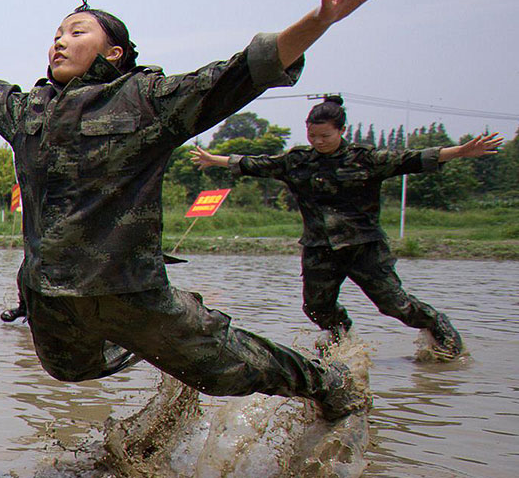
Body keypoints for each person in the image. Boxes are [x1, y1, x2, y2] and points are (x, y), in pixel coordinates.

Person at [0, 0, 404, 421]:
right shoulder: (28, 111)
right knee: (68, 374)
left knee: (221, 372)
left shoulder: (146, 99)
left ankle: (325, 383)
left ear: (113, 52)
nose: (59, 42)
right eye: (54, 35)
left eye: (76, 33)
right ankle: (159, 344)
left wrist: (319, 21)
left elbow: (241, 72)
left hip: (129, 288)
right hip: (52, 295)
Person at [191, 96, 502, 360]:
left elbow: (412, 159)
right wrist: (213, 159)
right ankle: (341, 337)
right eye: (313, 136)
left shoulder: (365, 160)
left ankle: (436, 325)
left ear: (341, 130)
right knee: (316, 307)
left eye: (325, 136)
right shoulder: (296, 161)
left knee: (395, 305)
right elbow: (254, 163)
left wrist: (461, 151)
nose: (318, 141)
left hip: (363, 247)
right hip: (320, 248)